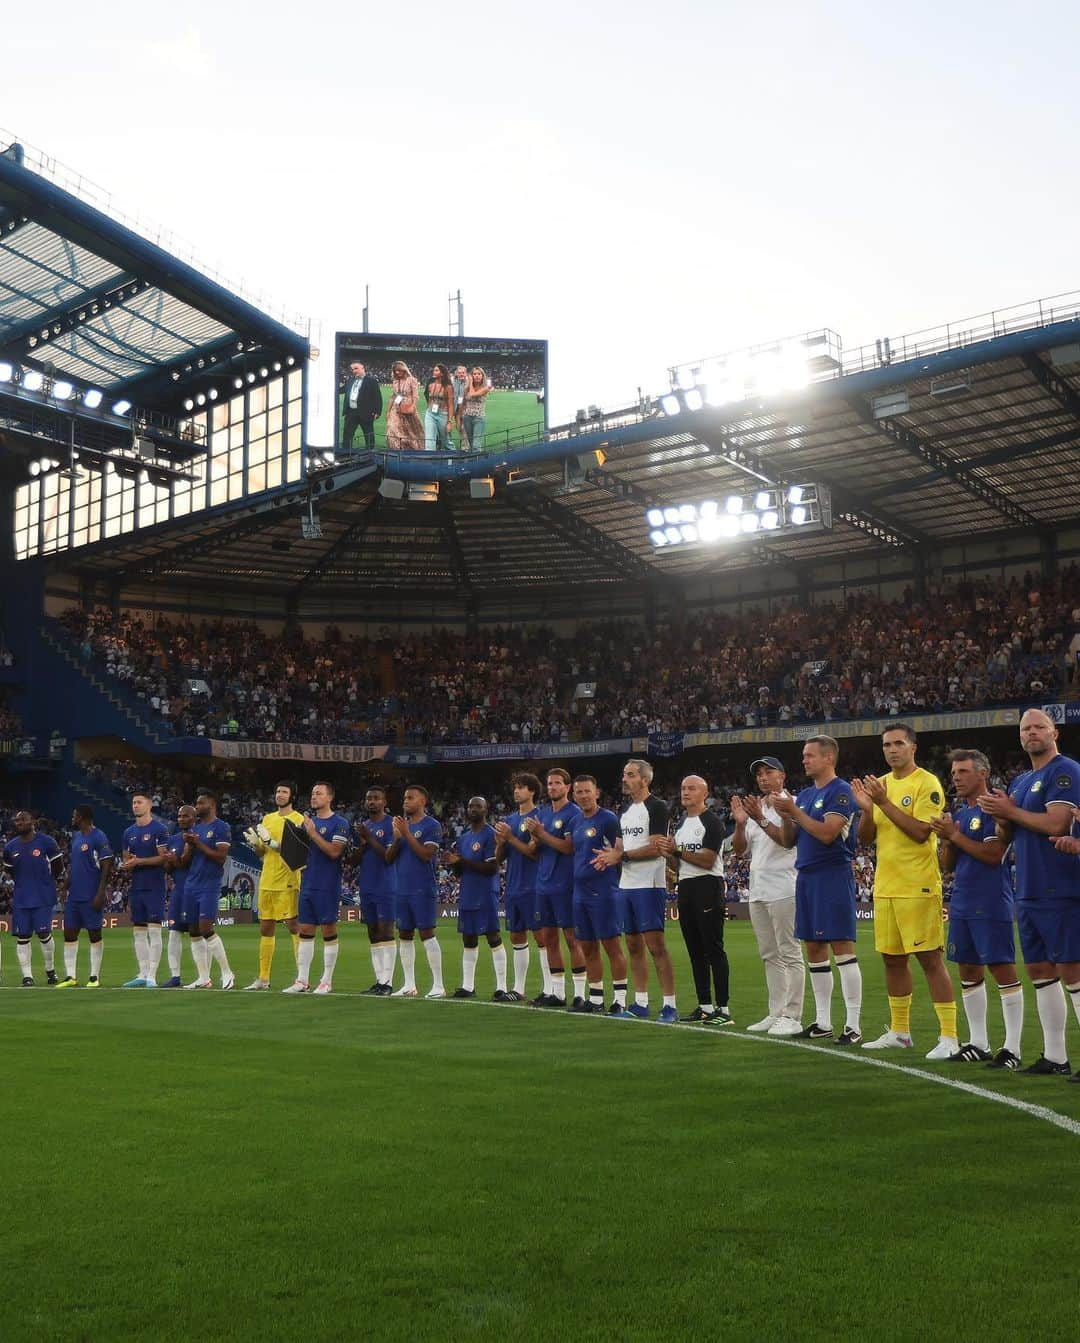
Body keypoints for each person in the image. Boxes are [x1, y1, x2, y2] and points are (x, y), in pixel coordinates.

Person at [978, 708, 1080, 1079]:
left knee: (1072, 968)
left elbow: (1057, 822)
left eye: (1039, 726)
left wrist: (1011, 812)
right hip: (1029, 888)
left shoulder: (1064, 770)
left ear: (1055, 733)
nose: (1032, 732)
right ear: (1020, 737)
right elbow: (1008, 838)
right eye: (1026, 728)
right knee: (1040, 971)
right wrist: (1002, 816)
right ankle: (1055, 1056)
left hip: (1062, 884)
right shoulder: (1021, 782)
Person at [852, 725, 957, 1060]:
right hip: (886, 886)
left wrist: (883, 801)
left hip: (918, 884)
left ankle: (949, 1036)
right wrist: (869, 809)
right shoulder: (881, 785)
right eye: (886, 745)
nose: (892, 749)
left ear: (913, 747)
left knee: (930, 959)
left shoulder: (926, 783)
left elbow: (920, 833)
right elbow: (866, 838)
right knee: (892, 960)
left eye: (898, 743)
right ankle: (900, 1032)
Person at [930, 749, 1023, 1067]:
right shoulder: (959, 810)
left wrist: (954, 833)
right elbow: (947, 866)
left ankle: (1012, 1048)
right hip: (963, 900)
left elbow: (994, 855)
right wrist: (946, 838)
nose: (956, 777)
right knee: (968, 970)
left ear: (983, 773)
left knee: (1001, 969)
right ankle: (978, 1042)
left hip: (990, 899)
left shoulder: (992, 809)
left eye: (963, 772)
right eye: (954, 772)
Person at [771, 736, 863, 1045]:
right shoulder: (807, 794)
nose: (804, 760)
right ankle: (823, 1021)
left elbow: (827, 834)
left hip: (833, 874)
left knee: (842, 948)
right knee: (813, 948)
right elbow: (788, 840)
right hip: (807, 875)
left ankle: (853, 1024)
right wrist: (786, 815)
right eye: (804, 755)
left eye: (810, 755)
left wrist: (794, 812)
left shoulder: (841, 791)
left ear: (828, 759)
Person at [598, 758, 678, 1023]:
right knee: (632, 944)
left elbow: (657, 847)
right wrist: (609, 856)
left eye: (631, 775)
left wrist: (621, 857)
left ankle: (669, 1004)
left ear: (645, 780)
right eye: (624, 774)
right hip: (627, 885)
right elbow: (619, 849)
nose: (625, 779)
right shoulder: (625, 811)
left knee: (656, 946)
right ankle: (641, 1002)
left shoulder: (656, 808)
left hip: (649, 884)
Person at [730, 757, 802, 1036]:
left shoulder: (792, 803)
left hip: (785, 887)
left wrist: (759, 819)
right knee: (770, 955)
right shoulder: (755, 806)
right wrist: (739, 824)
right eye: (759, 773)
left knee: (790, 952)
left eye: (768, 772)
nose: (762, 777)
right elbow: (739, 851)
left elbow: (787, 842)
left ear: (782, 776)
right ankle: (776, 1012)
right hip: (758, 888)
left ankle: (793, 1015)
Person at [659, 774, 731, 1024]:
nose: (685, 792)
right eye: (682, 788)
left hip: (707, 885)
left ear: (705, 793)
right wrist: (669, 854)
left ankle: (723, 1009)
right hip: (687, 886)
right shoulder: (681, 824)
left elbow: (708, 860)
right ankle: (705, 1006)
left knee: (713, 948)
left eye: (691, 788)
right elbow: (678, 865)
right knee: (695, 950)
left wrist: (677, 851)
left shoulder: (711, 822)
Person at [525, 767, 585, 1007]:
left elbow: (568, 847)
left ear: (567, 787)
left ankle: (581, 994)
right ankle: (557, 993)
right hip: (544, 883)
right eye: (549, 784)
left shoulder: (574, 814)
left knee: (572, 938)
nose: (552, 787)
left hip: (566, 884)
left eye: (557, 783)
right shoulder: (544, 814)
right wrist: (535, 838)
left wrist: (541, 833)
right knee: (548, 938)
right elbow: (534, 850)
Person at [283, 781, 350, 995]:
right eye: (312, 793)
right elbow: (297, 855)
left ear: (330, 797)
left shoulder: (340, 823)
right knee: (305, 930)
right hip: (308, 882)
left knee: (328, 930)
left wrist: (312, 833)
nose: (314, 797)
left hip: (327, 884)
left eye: (319, 793)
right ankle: (302, 980)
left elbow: (333, 852)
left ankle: (326, 981)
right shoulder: (305, 824)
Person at [569, 774, 628, 1015]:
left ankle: (620, 999)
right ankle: (595, 999)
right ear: (574, 796)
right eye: (579, 792)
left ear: (597, 793)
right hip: (580, 892)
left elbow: (620, 850)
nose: (583, 795)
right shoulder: (575, 822)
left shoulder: (608, 819)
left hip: (604, 891)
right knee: (588, 947)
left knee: (611, 945)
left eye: (587, 791)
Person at [242, 781, 304, 991]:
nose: (280, 794)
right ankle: (263, 978)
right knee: (265, 928)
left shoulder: (298, 819)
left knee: (293, 926)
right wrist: (257, 845)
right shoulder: (268, 819)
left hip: (287, 879)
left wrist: (272, 844)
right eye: (278, 791)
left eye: (284, 792)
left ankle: (301, 979)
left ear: (292, 796)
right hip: (267, 879)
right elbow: (263, 853)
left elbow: (296, 852)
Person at [447, 797, 508, 1001]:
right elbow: (460, 872)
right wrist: (454, 863)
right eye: (471, 806)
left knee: (493, 936)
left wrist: (462, 861)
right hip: (467, 893)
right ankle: (467, 986)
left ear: (486, 809)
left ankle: (501, 987)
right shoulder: (464, 837)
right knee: (468, 938)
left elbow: (492, 867)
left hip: (485, 893)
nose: (473, 809)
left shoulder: (491, 835)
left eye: (478, 806)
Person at [388, 784, 445, 998]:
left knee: (427, 934)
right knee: (404, 935)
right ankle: (409, 984)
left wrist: (406, 833)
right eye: (404, 797)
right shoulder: (401, 827)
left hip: (422, 888)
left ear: (422, 801)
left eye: (410, 797)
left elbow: (425, 855)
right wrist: (398, 837)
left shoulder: (432, 825)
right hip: (402, 888)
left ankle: (438, 985)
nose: (405, 801)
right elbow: (389, 858)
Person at [494, 772, 542, 1002]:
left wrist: (510, 838)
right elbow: (499, 858)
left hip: (534, 886)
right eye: (515, 787)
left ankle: (551, 989)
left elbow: (534, 853)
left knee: (543, 937)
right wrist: (500, 842)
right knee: (517, 936)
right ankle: (519, 988)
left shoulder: (539, 817)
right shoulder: (510, 819)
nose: (517, 791)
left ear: (532, 791)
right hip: (513, 886)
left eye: (521, 787)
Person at [181, 789, 235, 991]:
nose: (197, 807)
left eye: (200, 803)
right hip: (191, 884)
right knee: (194, 931)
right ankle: (203, 978)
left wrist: (198, 843)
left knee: (206, 928)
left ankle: (227, 972)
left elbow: (221, 857)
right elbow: (186, 861)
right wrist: (188, 847)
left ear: (211, 804)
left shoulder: (221, 827)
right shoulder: (195, 828)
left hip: (209, 885)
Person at [2, 809, 62, 986]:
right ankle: (27, 976)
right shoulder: (10, 847)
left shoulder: (47, 842)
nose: (20, 823)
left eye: (23, 820)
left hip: (43, 896)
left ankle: (50, 971)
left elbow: (57, 867)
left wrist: (46, 883)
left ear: (32, 822)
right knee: (23, 936)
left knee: (44, 933)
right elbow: (10, 870)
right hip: (21, 898)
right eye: (17, 821)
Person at [56, 805, 113, 988]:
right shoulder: (77, 837)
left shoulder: (98, 836)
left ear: (82, 817)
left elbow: (106, 864)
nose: (72, 818)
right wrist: (65, 887)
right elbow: (75, 865)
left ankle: (94, 976)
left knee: (94, 933)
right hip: (75, 896)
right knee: (69, 933)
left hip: (91, 894)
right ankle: (71, 976)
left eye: (74, 815)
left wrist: (101, 892)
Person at [119, 792, 170, 988]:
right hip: (137, 886)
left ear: (149, 805)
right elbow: (126, 857)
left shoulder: (159, 829)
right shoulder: (128, 832)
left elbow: (163, 857)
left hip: (154, 885)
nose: (136, 805)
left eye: (139, 802)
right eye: (133, 802)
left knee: (154, 930)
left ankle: (152, 976)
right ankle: (142, 973)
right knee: (138, 931)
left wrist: (139, 861)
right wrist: (127, 864)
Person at [356, 786, 399, 996]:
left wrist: (369, 838)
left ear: (384, 801)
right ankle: (378, 980)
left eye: (376, 798)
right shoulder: (364, 826)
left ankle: (388, 983)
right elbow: (355, 860)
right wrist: (363, 843)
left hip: (386, 885)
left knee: (386, 931)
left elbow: (388, 855)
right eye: (368, 798)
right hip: (367, 885)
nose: (371, 801)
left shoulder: (391, 824)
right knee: (372, 933)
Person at [159, 804, 196, 988]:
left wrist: (177, 861)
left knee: (200, 934)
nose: (181, 819)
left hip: (195, 890)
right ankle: (175, 977)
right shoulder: (172, 840)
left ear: (194, 818)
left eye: (186, 816)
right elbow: (169, 868)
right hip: (178, 891)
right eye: (179, 816)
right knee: (174, 933)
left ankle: (203, 976)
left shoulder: (199, 837)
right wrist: (167, 861)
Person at [340, 360, 382, 452]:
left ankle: (370, 453)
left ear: (363, 368)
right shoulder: (350, 380)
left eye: (356, 368)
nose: (354, 371)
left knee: (368, 435)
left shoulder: (371, 381)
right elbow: (341, 390)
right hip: (351, 412)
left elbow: (377, 397)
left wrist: (378, 412)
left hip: (366, 412)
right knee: (347, 435)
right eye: (352, 369)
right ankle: (345, 454)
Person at [384, 360, 425, 453]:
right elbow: (393, 397)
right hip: (396, 408)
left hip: (408, 408)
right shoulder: (395, 382)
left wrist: (413, 407)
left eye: (399, 370)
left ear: (404, 369)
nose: (397, 372)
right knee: (392, 428)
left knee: (410, 432)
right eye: (395, 371)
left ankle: (411, 450)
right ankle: (395, 450)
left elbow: (415, 396)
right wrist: (388, 411)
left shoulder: (412, 380)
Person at [423, 363, 455, 452]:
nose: (434, 372)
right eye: (434, 370)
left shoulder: (448, 387)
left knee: (446, 441)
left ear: (442, 373)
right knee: (429, 439)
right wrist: (428, 409)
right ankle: (430, 458)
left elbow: (451, 405)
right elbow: (429, 399)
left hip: (442, 414)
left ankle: (454, 456)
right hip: (430, 414)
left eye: (436, 370)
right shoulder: (430, 385)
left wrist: (449, 421)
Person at [460, 367, 491, 452]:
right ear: (472, 375)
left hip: (479, 417)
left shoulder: (485, 388)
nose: (477, 376)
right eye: (474, 374)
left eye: (479, 374)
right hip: (467, 417)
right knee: (471, 443)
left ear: (482, 376)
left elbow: (472, 394)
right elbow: (463, 402)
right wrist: (461, 415)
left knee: (476, 445)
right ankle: (472, 460)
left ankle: (477, 462)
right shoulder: (467, 388)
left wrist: (469, 383)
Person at [451, 364, 469, 446]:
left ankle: (465, 445)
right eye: (459, 373)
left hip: (466, 409)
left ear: (466, 373)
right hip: (456, 408)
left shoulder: (469, 382)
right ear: (456, 373)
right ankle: (463, 440)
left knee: (464, 427)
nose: (461, 374)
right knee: (458, 427)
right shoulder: (454, 382)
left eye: (463, 373)